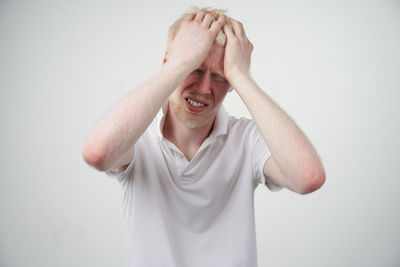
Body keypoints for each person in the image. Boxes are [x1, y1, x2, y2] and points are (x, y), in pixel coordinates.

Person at [82, 7, 325, 267]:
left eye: (220, 76)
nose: (205, 88)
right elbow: (97, 152)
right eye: (195, 69)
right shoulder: (137, 136)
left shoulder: (245, 139)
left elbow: (308, 177)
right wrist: (180, 61)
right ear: (170, 62)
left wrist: (241, 76)